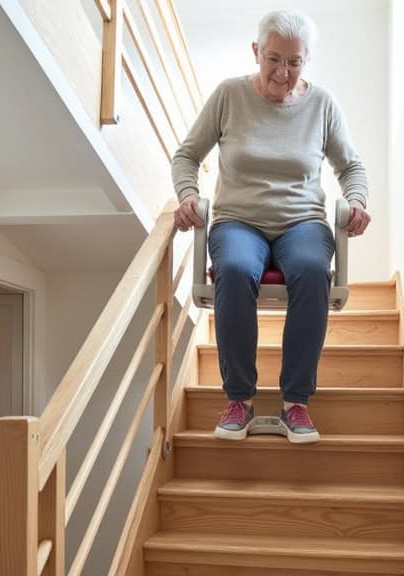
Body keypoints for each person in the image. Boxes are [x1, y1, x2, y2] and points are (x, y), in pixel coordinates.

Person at [171, 10, 371, 444]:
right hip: (238, 220)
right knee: (238, 270)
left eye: (294, 62)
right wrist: (188, 194)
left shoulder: (322, 105)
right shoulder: (228, 96)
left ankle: (295, 403)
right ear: (256, 52)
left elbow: (351, 167)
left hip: (302, 221)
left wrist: (356, 201)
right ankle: (238, 399)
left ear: (306, 60)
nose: (283, 74)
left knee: (313, 270)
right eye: (274, 59)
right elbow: (186, 155)